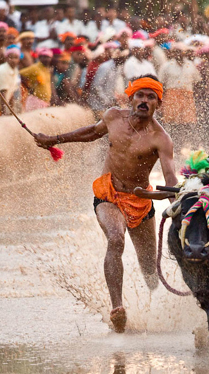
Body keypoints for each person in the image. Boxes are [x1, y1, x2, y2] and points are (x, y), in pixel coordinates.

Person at [33, 75, 178, 333]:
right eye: (140, 95)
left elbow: (170, 184)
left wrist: (171, 204)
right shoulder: (113, 116)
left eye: (151, 97)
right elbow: (90, 132)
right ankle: (117, 308)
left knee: (148, 268)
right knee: (115, 238)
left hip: (141, 201)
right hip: (109, 194)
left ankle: (158, 310)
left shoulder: (161, 139)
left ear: (159, 104)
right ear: (130, 97)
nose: (144, 101)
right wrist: (54, 140)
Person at [158, 43, 201, 150]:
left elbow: (197, 82)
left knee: (188, 123)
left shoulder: (190, 65)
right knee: (173, 124)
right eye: (176, 51)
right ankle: (174, 147)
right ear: (173, 53)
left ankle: (188, 146)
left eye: (181, 51)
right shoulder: (167, 66)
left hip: (187, 96)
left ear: (184, 53)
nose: (178, 54)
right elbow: (160, 83)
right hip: (172, 96)